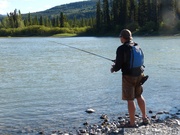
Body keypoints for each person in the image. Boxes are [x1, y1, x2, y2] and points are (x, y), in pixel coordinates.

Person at [111, 29, 149, 127]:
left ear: (123, 37)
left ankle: (132, 123)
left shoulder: (121, 48)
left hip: (129, 76)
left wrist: (113, 68)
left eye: (120, 37)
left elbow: (118, 66)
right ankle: (145, 118)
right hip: (140, 74)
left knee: (130, 99)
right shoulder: (136, 45)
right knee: (139, 96)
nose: (120, 38)